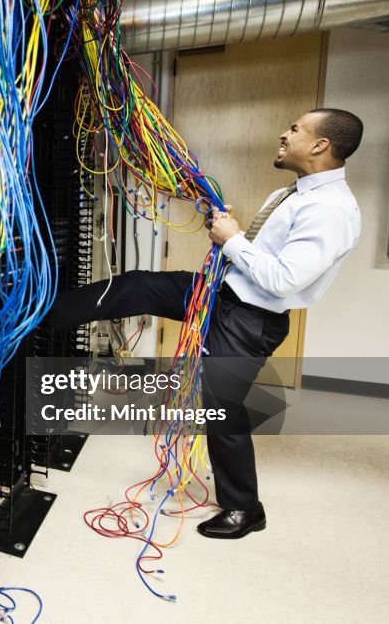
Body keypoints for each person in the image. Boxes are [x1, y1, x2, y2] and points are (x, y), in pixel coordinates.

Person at [49, 108, 363, 539]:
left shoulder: (331, 209)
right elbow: (260, 255)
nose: (283, 133)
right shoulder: (294, 193)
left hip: (251, 317)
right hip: (220, 291)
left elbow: (285, 278)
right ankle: (33, 316)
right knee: (135, 286)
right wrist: (226, 231)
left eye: (295, 129)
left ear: (321, 144)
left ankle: (245, 509)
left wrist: (232, 240)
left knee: (221, 410)